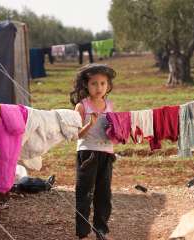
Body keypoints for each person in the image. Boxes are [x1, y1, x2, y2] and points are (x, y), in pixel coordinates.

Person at [70, 64, 116, 240]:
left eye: (103, 83)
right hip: (88, 153)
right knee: (84, 193)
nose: (99, 88)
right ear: (86, 85)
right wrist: (90, 123)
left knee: (104, 194)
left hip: (106, 153)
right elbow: (76, 135)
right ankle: (82, 232)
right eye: (94, 84)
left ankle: (101, 230)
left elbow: (113, 130)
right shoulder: (82, 106)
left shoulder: (110, 104)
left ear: (108, 85)